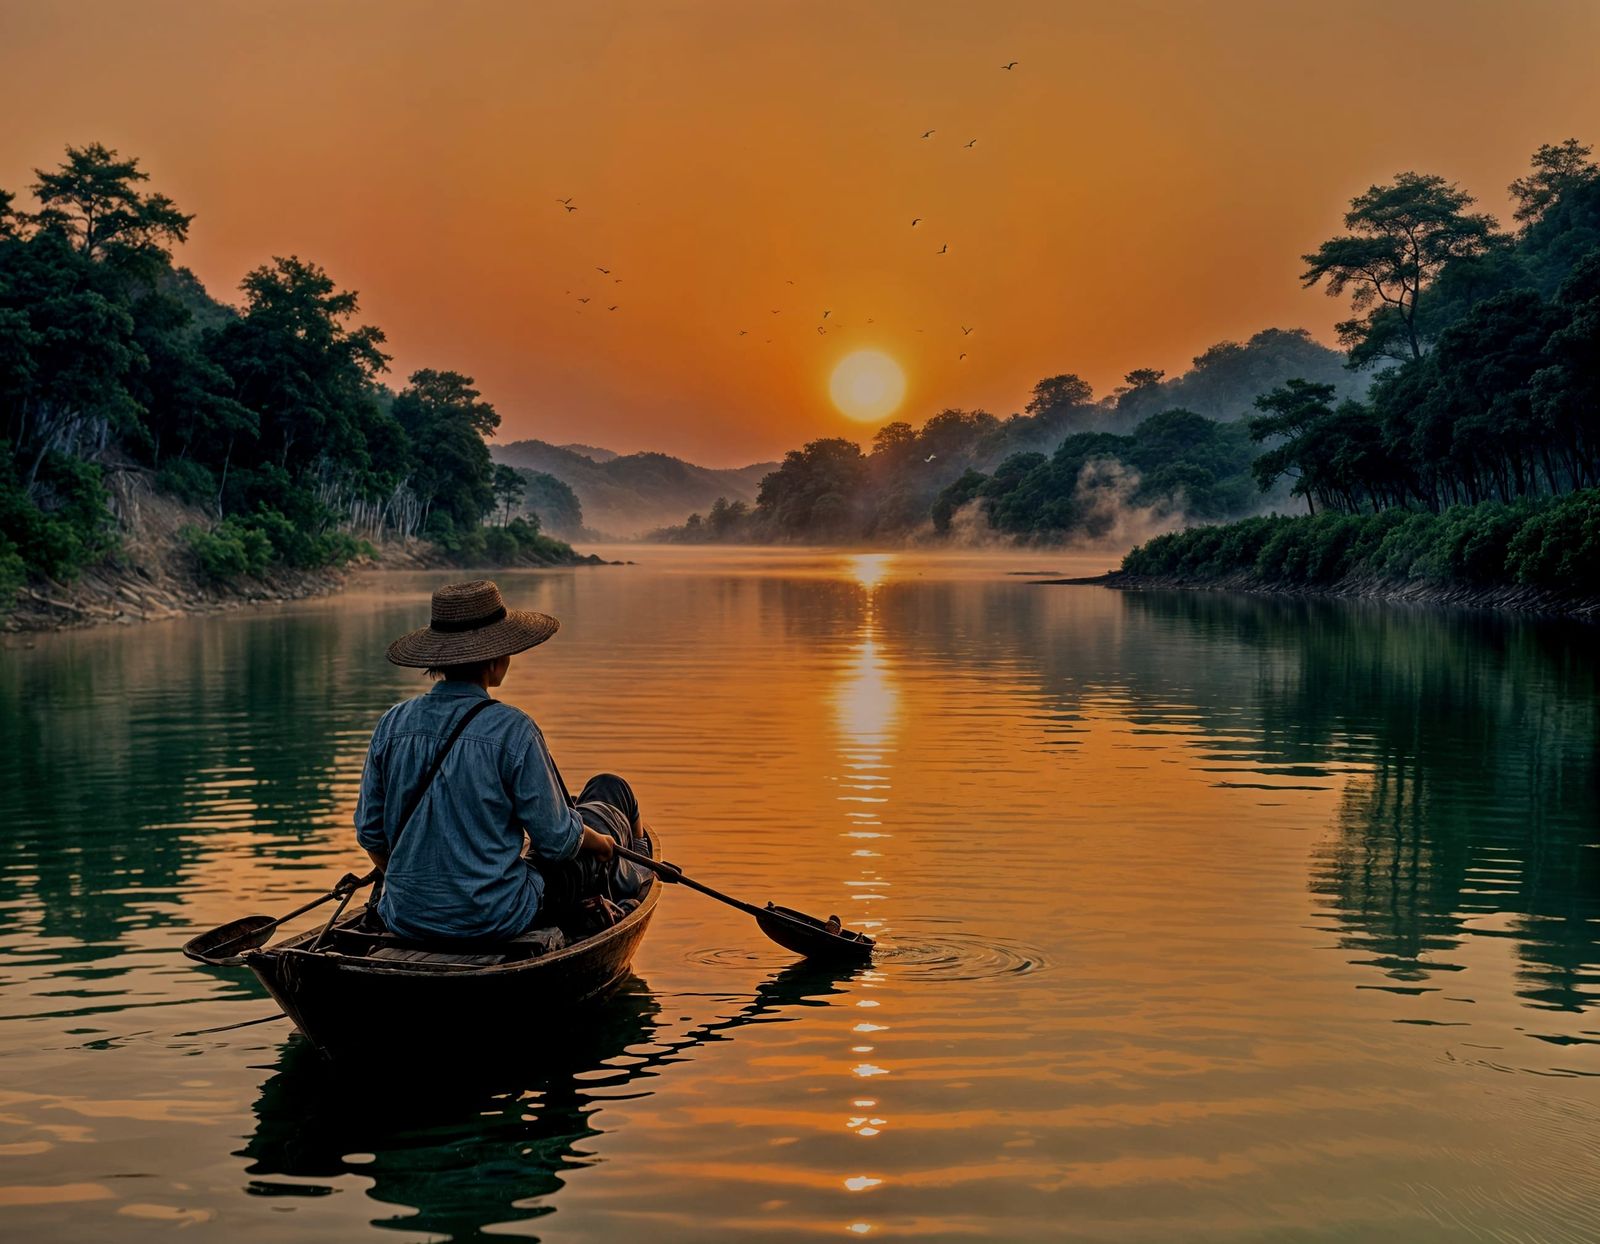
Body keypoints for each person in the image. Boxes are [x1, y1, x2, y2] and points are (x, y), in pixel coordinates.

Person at [354, 579, 649, 942]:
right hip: (498, 917)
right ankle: (636, 869)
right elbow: (557, 842)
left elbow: (371, 836)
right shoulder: (513, 730)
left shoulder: (391, 724)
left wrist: (416, 890)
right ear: (494, 660)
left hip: (405, 916)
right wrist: (602, 844)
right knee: (593, 834)